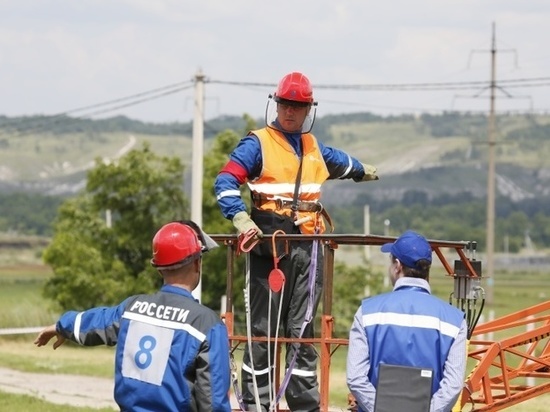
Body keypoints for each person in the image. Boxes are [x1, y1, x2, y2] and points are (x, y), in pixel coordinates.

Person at [214, 71, 379, 411]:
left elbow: (342, 163)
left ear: (308, 110)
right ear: (276, 105)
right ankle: (256, 403)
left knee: (302, 330)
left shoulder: (313, 147)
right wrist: (240, 217)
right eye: (285, 104)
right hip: (270, 249)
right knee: (264, 331)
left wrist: (364, 169)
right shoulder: (257, 143)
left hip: (310, 249)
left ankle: (304, 403)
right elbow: (226, 180)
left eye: (297, 106)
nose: (290, 112)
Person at [34, 220, 232, 412]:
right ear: (197, 263)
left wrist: (61, 325)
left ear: (159, 268)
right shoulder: (207, 324)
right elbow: (213, 403)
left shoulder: (132, 308)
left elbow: (95, 322)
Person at [346, 230, 468, 412]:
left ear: (397, 265)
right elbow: (452, 385)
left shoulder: (367, 312)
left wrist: (382, 409)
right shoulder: (454, 320)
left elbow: (356, 378)